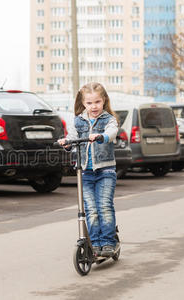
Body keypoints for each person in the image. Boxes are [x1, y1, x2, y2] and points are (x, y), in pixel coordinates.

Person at [58, 82, 119, 257]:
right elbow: (72, 138)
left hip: (105, 171)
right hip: (85, 172)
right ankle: (96, 243)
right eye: (90, 103)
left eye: (97, 102)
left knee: (104, 206)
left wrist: (102, 137)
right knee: (90, 209)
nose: (94, 106)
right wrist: (66, 143)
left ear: (104, 100)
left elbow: (112, 132)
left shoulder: (109, 119)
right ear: (84, 103)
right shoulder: (78, 120)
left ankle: (108, 242)